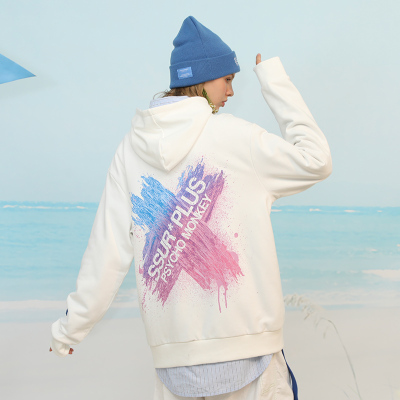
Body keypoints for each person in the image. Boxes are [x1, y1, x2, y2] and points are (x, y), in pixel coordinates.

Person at [50, 15, 332, 400]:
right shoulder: (238, 139)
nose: (231, 92)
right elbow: (317, 160)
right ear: (202, 79)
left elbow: (107, 253)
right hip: (251, 351)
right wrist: (273, 81)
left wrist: (70, 330)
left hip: (175, 367)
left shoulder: (129, 152)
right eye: (227, 79)